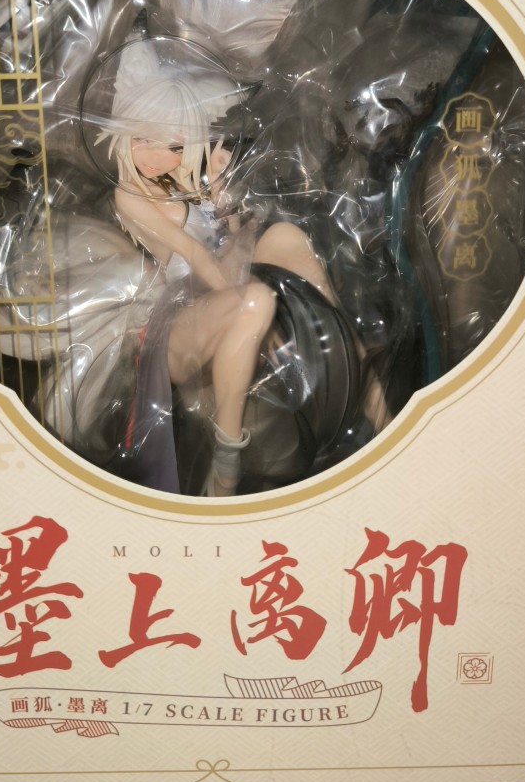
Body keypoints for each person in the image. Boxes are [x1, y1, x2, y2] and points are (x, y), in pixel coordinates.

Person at [99, 40, 367, 496]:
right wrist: (244, 288)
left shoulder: (188, 184)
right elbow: (196, 255)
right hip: (178, 319)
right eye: (142, 138)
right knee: (256, 300)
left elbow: (228, 241)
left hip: (220, 293)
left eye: (173, 144)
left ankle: (357, 371)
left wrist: (222, 195)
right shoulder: (129, 196)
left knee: (285, 237)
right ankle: (226, 463)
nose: (154, 155)